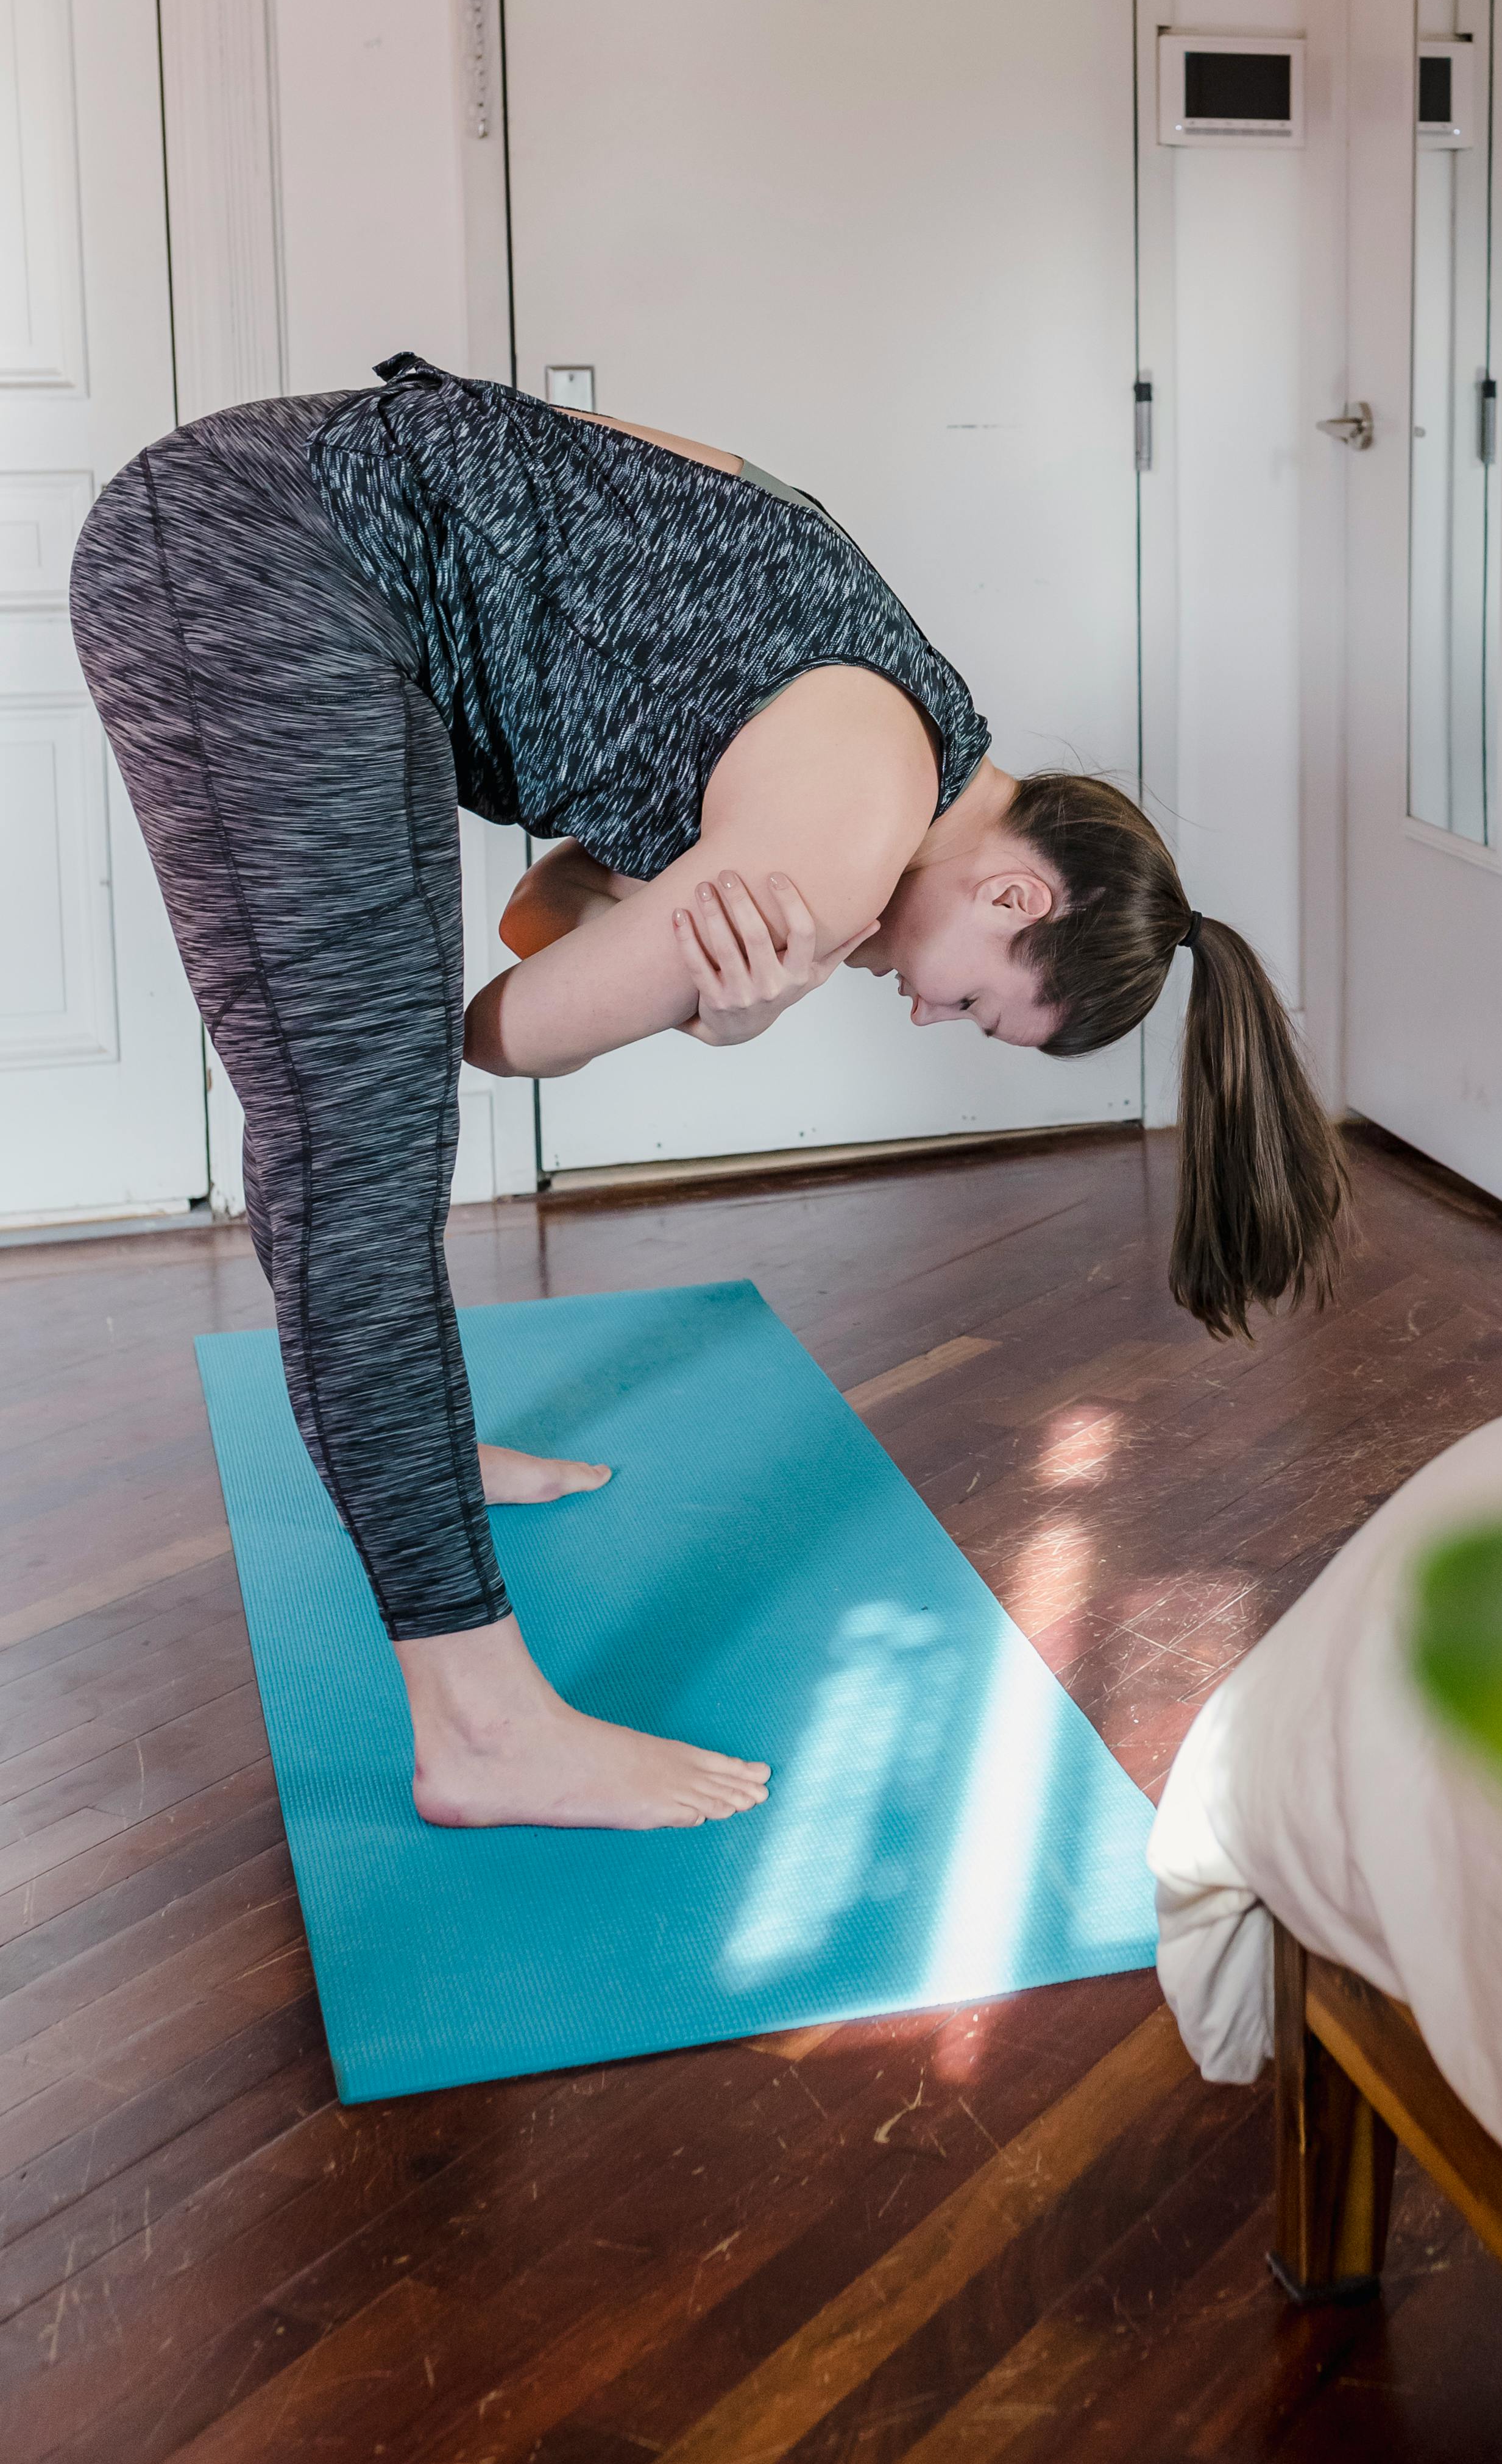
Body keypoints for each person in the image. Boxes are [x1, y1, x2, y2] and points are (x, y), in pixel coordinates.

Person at [70, 353, 1348, 1835]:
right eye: (982, 998)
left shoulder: (903, 705)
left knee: (353, 1101)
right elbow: (489, 1032)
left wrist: (678, 951)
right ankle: (482, 1731)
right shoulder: (837, 851)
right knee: (355, 1124)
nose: (928, 1006)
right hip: (268, 565)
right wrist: (713, 1007)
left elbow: (538, 912)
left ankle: (417, 1441)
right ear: (1013, 889)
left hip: (283, 531)